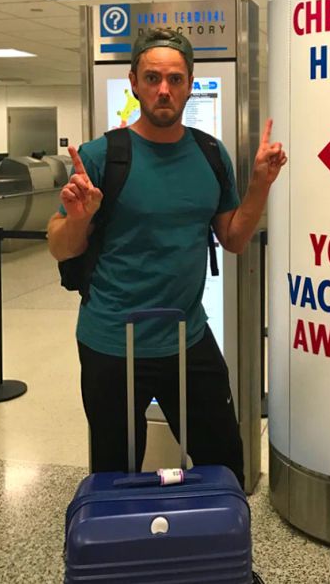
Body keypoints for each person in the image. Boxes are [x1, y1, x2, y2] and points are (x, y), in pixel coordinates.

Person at [47, 28, 287, 488]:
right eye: (153, 77)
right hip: (111, 342)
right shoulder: (102, 157)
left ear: (190, 84)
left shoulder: (210, 154)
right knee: (115, 470)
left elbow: (234, 239)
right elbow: (61, 246)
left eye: (175, 80)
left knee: (223, 460)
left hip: (186, 335)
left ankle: (222, 558)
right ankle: (120, 555)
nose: (164, 90)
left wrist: (260, 185)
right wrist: (78, 218)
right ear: (133, 81)